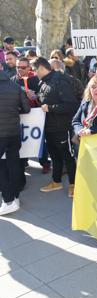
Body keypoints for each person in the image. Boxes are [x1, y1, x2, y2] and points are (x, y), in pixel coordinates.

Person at [33, 57, 79, 198]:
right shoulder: (43, 82)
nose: (34, 73)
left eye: (35, 70)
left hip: (62, 127)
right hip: (49, 127)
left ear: (41, 67)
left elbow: (71, 105)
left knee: (68, 157)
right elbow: (45, 100)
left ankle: (73, 185)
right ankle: (56, 181)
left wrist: (50, 108)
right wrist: (35, 97)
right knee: (54, 156)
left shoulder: (61, 81)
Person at [0, 70, 30, 215]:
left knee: (8, 164)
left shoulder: (15, 86)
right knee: (14, 162)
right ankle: (15, 196)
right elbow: (26, 108)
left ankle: (8, 200)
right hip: (14, 132)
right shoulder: (15, 86)